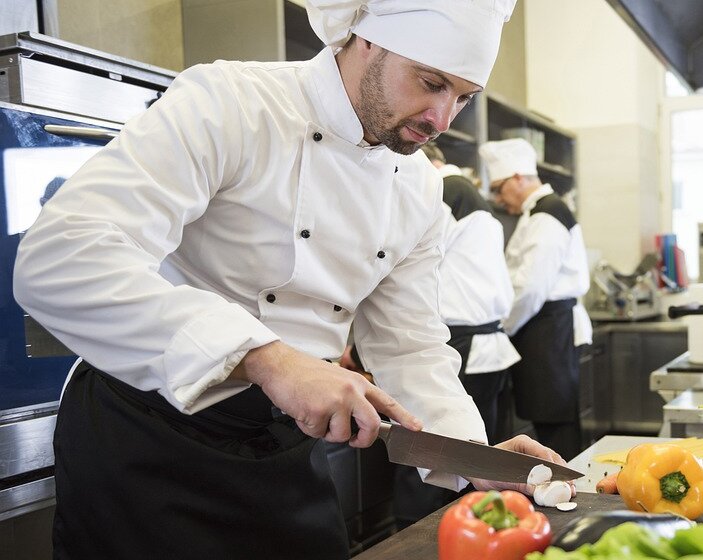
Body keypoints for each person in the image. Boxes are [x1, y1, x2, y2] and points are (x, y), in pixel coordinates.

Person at [12, 2, 569, 558]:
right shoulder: (231, 103)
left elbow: (410, 345)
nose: (442, 119)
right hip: (146, 436)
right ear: (366, 40)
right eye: (430, 83)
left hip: (283, 445)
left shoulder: (419, 189)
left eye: (464, 98)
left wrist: (471, 455)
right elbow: (60, 257)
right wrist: (268, 358)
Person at [389, 142, 521, 528]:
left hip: (456, 345)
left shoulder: (439, 190)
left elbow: (398, 277)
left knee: (427, 457)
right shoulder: (470, 194)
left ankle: (422, 542)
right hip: (489, 348)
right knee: (472, 460)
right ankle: (472, 534)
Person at [479, 137, 592, 461]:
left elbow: (530, 288)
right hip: (544, 326)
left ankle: (569, 496)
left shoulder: (547, 214)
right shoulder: (538, 212)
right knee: (551, 418)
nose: (499, 199)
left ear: (518, 178)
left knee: (554, 422)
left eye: (499, 189)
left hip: (546, 327)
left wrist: (501, 328)